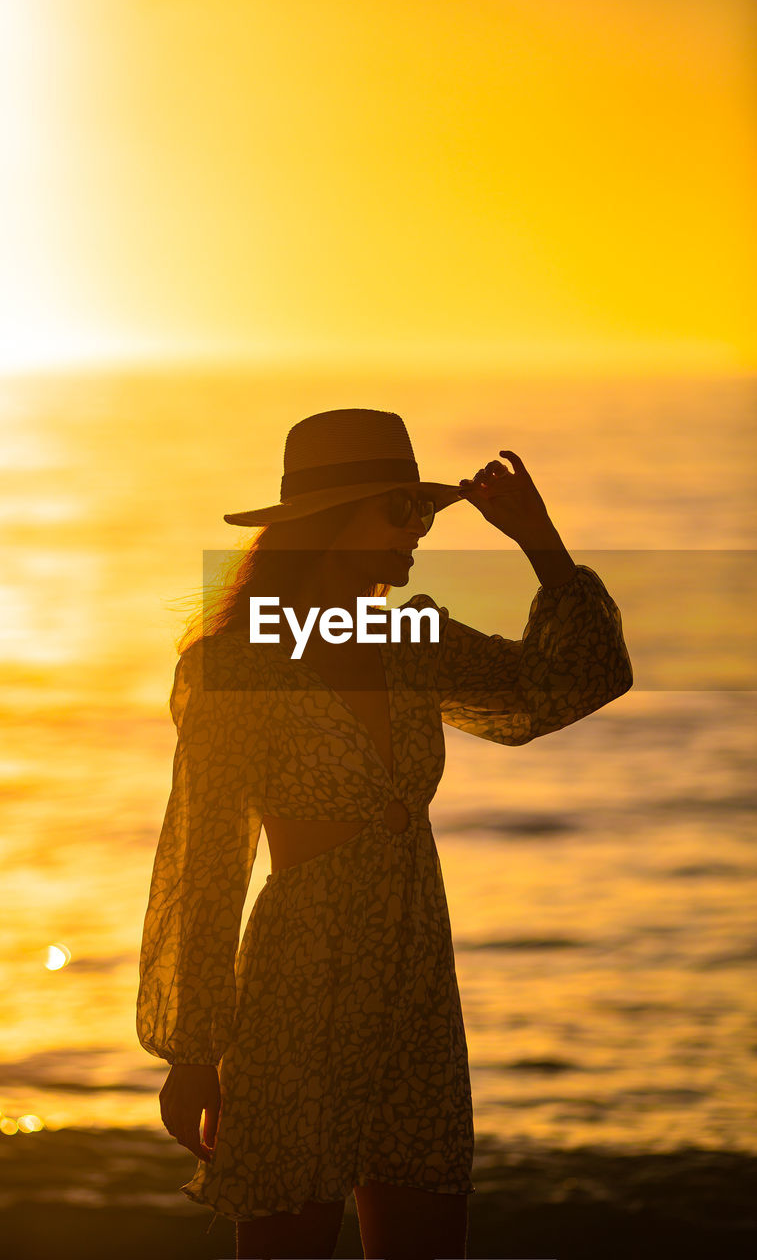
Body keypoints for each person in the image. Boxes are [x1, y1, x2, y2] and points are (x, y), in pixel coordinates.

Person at [136, 408, 633, 1260]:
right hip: (302, 981)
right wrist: (191, 1049)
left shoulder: (408, 639)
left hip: (415, 980)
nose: (419, 531)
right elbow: (206, 854)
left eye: (425, 511)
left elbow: (571, 684)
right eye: (398, 511)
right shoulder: (238, 667)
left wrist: (539, 544)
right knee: (286, 1238)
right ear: (330, 521)